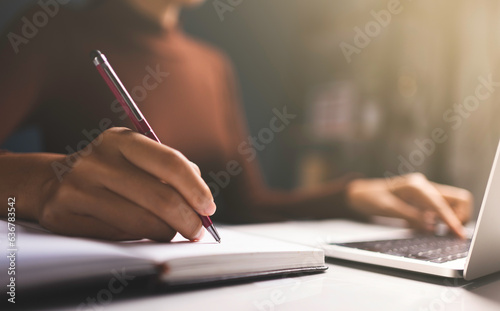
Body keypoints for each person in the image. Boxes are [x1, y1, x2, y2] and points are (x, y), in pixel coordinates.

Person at [0, 0, 471, 241]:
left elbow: (246, 205)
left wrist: (353, 194)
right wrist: (44, 183)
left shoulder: (213, 65)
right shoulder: (49, 30)